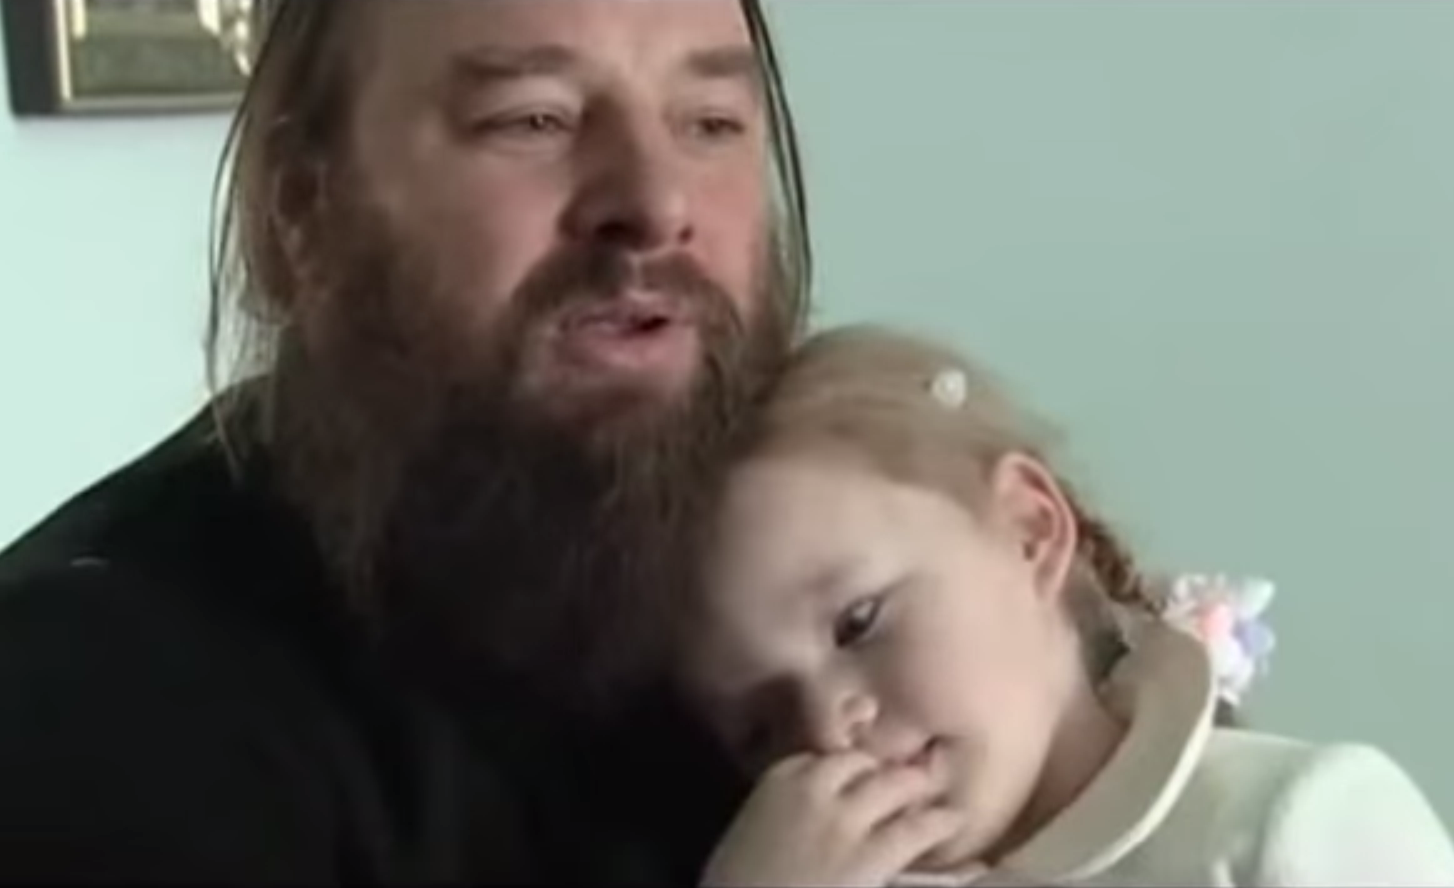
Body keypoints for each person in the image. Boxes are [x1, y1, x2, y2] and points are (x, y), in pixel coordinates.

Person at [0, 0, 810, 881]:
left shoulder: (828, 576)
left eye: (711, 123)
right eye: (532, 119)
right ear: (302, 216)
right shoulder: (91, 701)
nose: (656, 203)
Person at [675, 325, 1454, 886]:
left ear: (1030, 531)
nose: (826, 730)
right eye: (762, 728)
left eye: (859, 622)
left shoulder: (1281, 819)